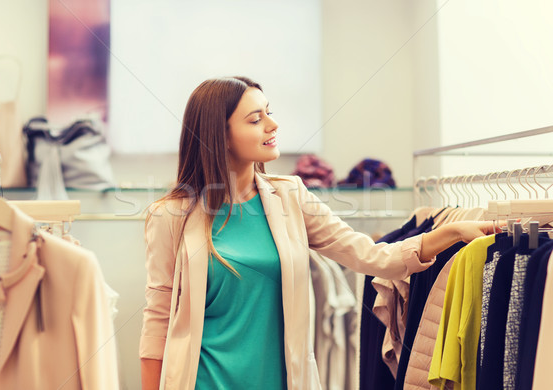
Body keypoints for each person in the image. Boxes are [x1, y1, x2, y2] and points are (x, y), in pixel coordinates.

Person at [139, 76, 496, 390]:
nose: (272, 124)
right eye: (256, 119)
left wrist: (451, 232)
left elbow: (371, 256)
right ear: (221, 136)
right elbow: (157, 321)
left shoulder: (290, 196)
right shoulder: (171, 215)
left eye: (269, 111)